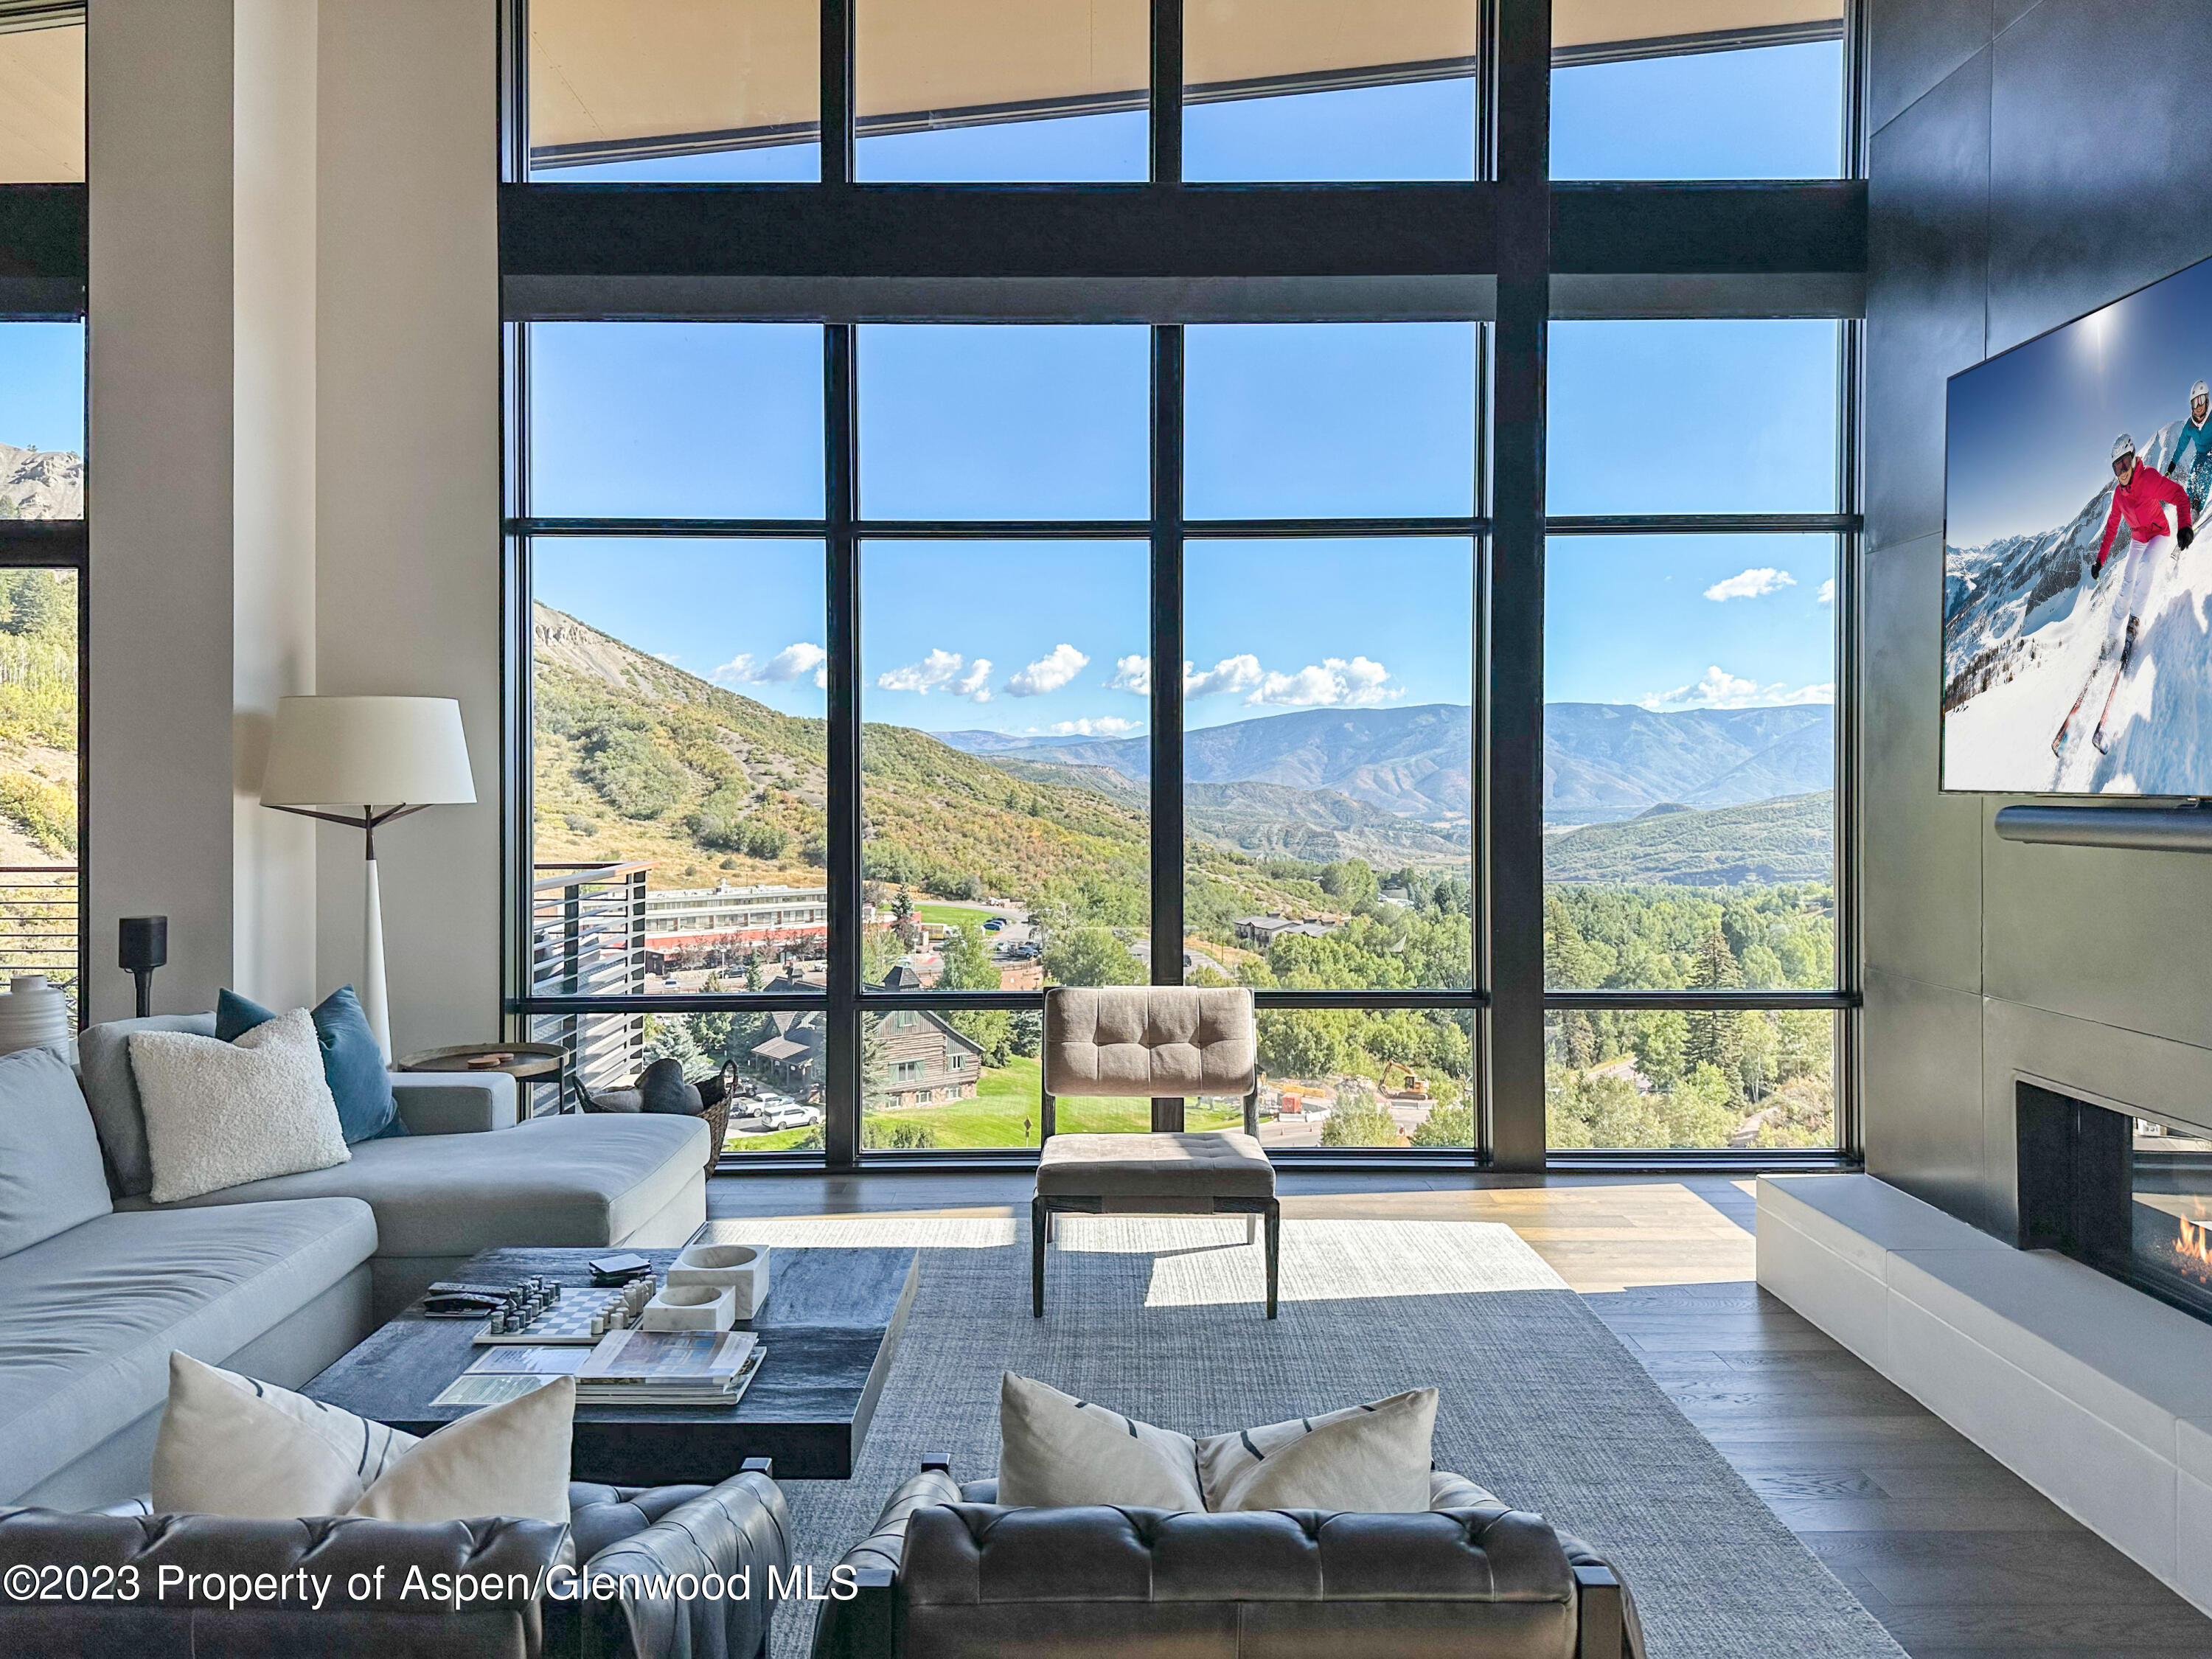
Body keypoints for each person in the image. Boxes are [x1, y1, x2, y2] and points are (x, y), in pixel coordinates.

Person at [2061, 434, 2197, 754]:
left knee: (2147, 568)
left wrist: (2184, 525)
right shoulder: (2119, 497)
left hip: (2159, 535)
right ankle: (2112, 636)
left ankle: (2134, 623)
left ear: (2134, 458)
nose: (2121, 471)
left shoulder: (2148, 479)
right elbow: (2111, 528)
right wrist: (2099, 560)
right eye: (2116, 467)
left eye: (2125, 463)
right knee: (2126, 582)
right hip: (2138, 538)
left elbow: (2179, 495)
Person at [2170, 378, 2212, 516]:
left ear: (2207, 400)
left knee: (2207, 470)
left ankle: (2197, 508)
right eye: (2195, 402)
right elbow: (2181, 446)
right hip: (2200, 454)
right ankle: (2186, 512)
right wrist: (2171, 467)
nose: (2198, 406)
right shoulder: (2190, 425)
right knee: (2192, 478)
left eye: (2201, 400)